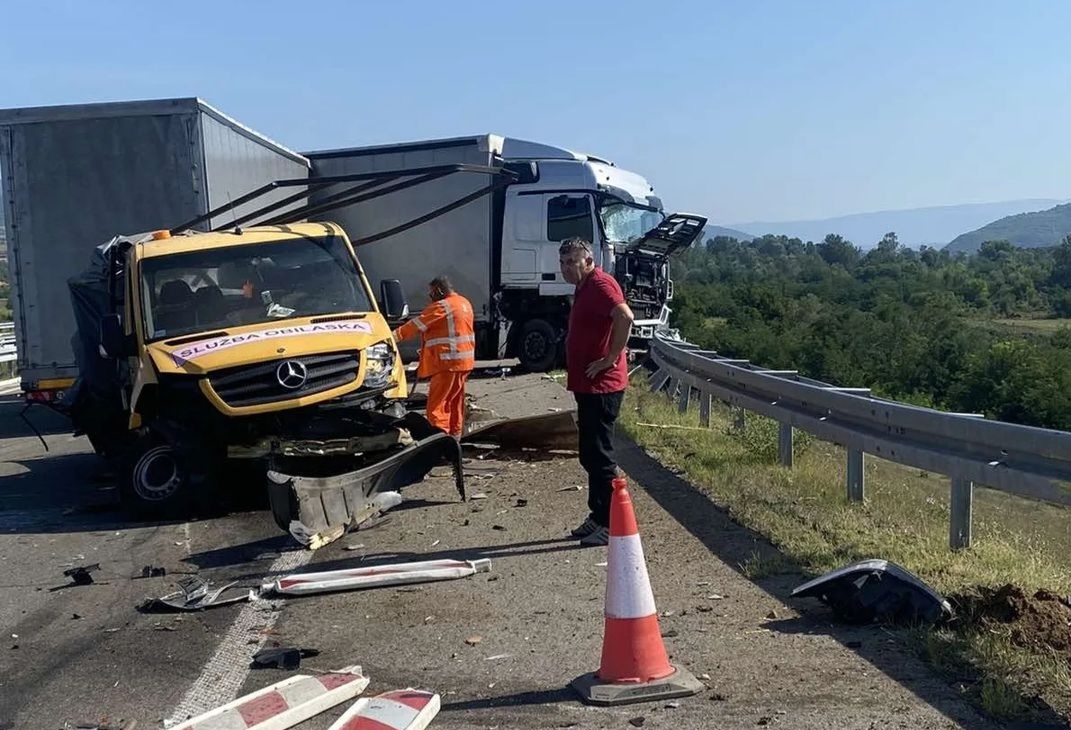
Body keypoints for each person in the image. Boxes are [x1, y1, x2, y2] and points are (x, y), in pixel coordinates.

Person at [558, 237, 635, 546]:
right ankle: (598, 513)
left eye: (571, 263)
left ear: (588, 262)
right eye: (562, 263)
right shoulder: (584, 286)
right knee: (589, 454)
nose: (566, 269)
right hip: (588, 385)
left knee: (600, 455)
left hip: (603, 387)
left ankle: (611, 523)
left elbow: (625, 316)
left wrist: (610, 358)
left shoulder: (602, 284)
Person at [392, 275, 476, 437]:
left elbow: (416, 325)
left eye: (431, 294)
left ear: (439, 290)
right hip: (464, 362)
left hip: (448, 363)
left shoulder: (443, 306)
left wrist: (391, 337)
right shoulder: (464, 303)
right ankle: (454, 437)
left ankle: (438, 440)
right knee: (455, 402)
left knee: (438, 405)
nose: (430, 298)